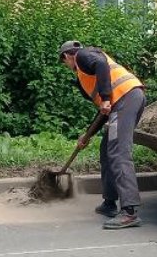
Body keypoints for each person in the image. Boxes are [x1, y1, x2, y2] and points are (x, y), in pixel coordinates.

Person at [59, 40, 146, 229]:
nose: (67, 65)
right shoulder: (84, 78)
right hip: (122, 102)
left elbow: (101, 65)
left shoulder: (84, 56)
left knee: (118, 152)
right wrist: (87, 135)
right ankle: (109, 203)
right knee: (107, 150)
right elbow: (103, 110)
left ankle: (129, 212)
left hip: (126, 99)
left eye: (64, 62)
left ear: (66, 56)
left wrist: (106, 98)